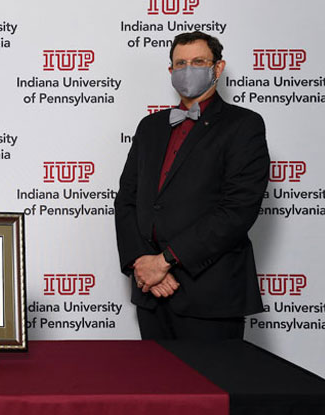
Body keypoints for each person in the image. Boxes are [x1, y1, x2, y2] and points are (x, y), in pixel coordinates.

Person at [114, 32, 270, 340]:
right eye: (180, 63)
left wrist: (166, 261)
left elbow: (236, 211)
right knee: (156, 385)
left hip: (210, 294)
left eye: (198, 62)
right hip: (152, 293)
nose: (188, 69)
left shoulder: (244, 126)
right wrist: (141, 265)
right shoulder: (150, 127)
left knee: (211, 385)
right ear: (171, 72)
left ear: (218, 68)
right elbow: (127, 201)